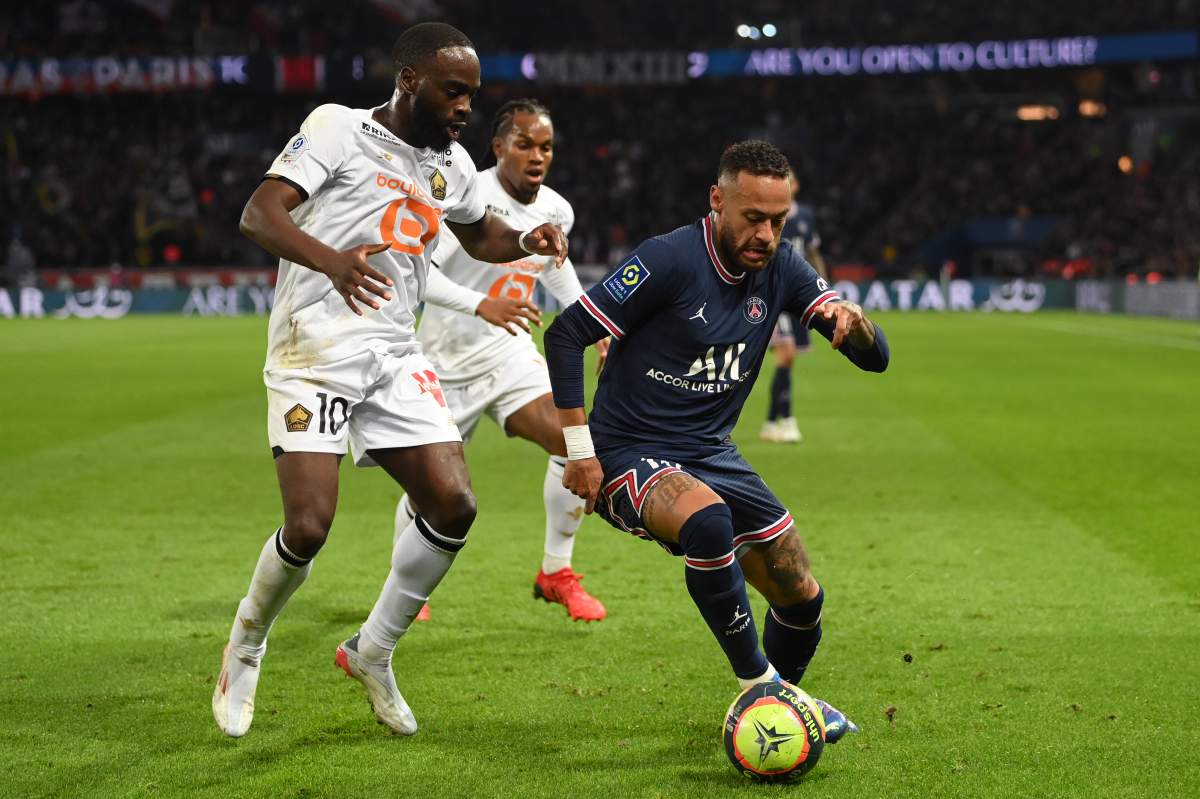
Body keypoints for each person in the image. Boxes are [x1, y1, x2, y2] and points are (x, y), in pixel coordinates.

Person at [211, 22, 568, 739]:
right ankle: (245, 647)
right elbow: (260, 213)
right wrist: (332, 260)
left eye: (472, 94)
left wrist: (524, 240)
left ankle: (372, 650)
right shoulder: (338, 128)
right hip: (314, 347)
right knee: (309, 526)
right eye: (453, 90)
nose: (465, 107)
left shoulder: (453, 164)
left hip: (395, 353)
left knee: (454, 503)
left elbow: (480, 236)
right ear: (410, 80)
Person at [542, 140, 889, 740]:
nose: (766, 234)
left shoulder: (783, 266)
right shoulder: (668, 259)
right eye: (753, 217)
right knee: (708, 522)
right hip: (627, 450)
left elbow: (874, 358)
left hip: (711, 451)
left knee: (801, 597)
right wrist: (580, 452)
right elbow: (566, 334)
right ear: (717, 200)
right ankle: (761, 687)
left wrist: (855, 326)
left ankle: (776, 709)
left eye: (778, 220)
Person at [401, 99, 607, 622]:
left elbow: (552, 267)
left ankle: (556, 571)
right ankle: (408, 588)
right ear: (498, 147)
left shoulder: (557, 210)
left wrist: (595, 324)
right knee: (432, 489)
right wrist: (482, 304)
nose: (537, 156)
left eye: (546, 147)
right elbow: (421, 274)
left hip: (509, 353)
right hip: (443, 363)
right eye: (525, 144)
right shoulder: (467, 197)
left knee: (572, 441)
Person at [761, 169, 829, 444]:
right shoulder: (769, 214)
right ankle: (788, 420)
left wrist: (823, 287)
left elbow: (813, 252)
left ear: (797, 185)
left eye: (790, 179)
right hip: (775, 294)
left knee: (787, 361)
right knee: (786, 354)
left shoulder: (806, 216)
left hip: (797, 295)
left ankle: (770, 423)